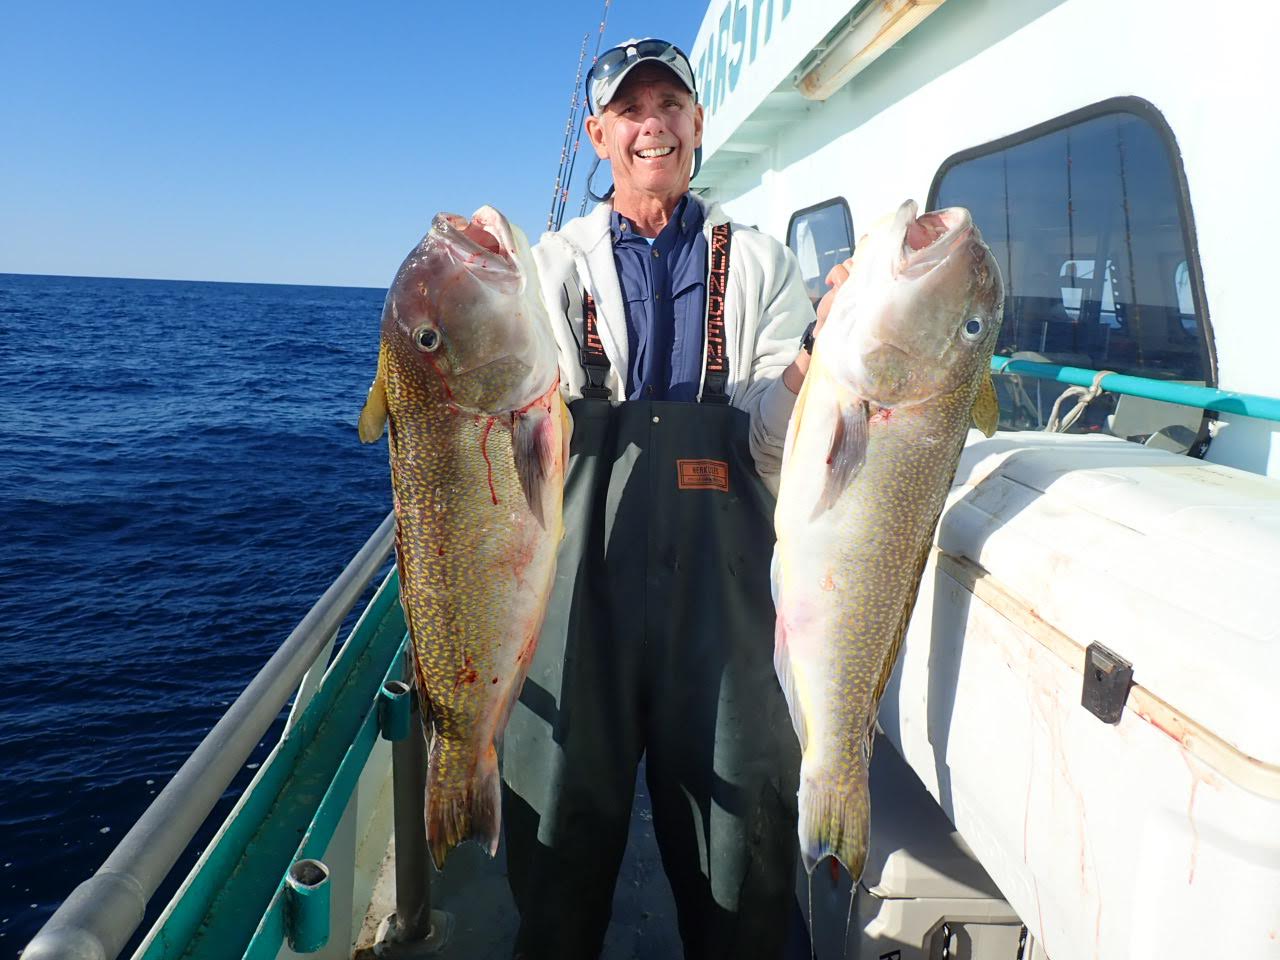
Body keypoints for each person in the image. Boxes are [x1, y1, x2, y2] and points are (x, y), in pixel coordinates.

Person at [500, 38, 833, 960]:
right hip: (577, 601)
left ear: (696, 122)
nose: (653, 126)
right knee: (556, 852)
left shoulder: (762, 263)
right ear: (599, 135)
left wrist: (815, 362)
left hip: (726, 606)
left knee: (743, 862)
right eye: (630, 111)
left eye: (670, 106)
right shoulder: (547, 269)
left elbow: (770, 443)